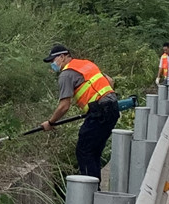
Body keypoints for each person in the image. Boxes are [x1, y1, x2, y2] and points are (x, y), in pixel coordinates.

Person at [42, 44, 119, 181]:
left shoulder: (66, 74)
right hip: (112, 108)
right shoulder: (86, 64)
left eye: (53, 60)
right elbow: (110, 81)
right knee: (94, 151)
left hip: (99, 112)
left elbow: (64, 106)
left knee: (84, 150)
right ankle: (95, 190)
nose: (52, 64)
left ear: (62, 56)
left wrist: (50, 122)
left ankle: (90, 193)